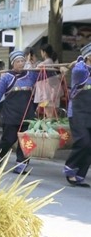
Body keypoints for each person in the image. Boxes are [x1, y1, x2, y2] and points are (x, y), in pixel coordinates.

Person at [0, 50, 38, 175]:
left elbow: (45, 74)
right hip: (11, 113)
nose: (21, 64)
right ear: (12, 64)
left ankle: (21, 165)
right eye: (18, 61)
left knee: (25, 140)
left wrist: (55, 70)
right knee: (8, 139)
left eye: (22, 61)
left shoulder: (31, 75)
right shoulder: (6, 78)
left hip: (27, 114)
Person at [63, 43, 91, 187]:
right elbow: (79, 68)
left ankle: (80, 175)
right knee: (83, 141)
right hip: (77, 112)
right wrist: (80, 58)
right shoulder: (80, 71)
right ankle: (70, 168)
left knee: (90, 145)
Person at [34, 43, 61, 119]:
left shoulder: (44, 64)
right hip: (54, 90)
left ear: (44, 53)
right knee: (51, 115)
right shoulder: (53, 62)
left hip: (47, 92)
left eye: (41, 52)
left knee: (49, 115)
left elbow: (35, 70)